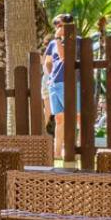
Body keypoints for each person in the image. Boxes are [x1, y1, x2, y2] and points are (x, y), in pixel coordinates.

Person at [43, 14, 69, 156]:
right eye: (56, 26)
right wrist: (51, 76)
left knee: (74, 117)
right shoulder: (52, 44)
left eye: (59, 25)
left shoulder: (74, 41)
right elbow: (47, 61)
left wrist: (58, 38)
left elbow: (64, 56)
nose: (57, 28)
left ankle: (73, 149)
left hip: (68, 82)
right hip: (55, 83)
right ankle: (57, 153)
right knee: (59, 119)